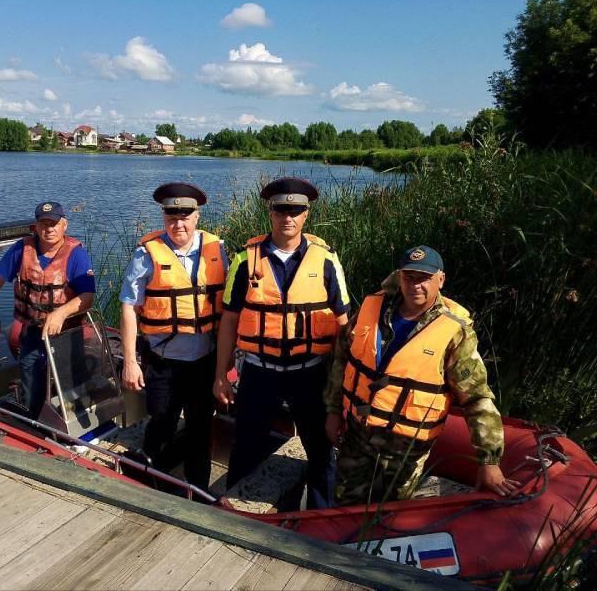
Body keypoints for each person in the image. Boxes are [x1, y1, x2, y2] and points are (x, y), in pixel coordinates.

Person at [325, 245, 520, 505]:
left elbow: (477, 398)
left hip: (405, 447)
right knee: (343, 506)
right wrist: (333, 411)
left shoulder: (454, 332)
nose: (416, 285)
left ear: (440, 280)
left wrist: (489, 461)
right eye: (409, 277)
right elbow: (342, 358)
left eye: (424, 278)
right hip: (357, 435)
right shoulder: (373, 308)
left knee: (389, 515)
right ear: (399, 277)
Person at [213, 177, 350, 509]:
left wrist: (341, 388)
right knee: (246, 448)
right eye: (281, 209)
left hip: (311, 373)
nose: (288, 217)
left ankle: (320, 520)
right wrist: (221, 374)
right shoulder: (246, 261)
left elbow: (344, 325)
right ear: (270, 212)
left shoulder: (327, 260)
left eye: (296, 210)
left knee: (320, 450)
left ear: (306, 214)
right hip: (260, 373)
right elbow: (229, 320)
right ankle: (239, 516)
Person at [120, 182, 228, 492]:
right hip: (163, 361)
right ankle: (149, 481)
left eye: (185, 216)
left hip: (203, 361)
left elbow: (229, 309)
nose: (178, 224)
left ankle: (199, 490)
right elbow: (129, 307)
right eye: (171, 216)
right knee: (162, 422)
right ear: (164, 216)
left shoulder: (217, 249)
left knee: (200, 427)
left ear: (197, 217)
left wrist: (228, 359)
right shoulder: (147, 253)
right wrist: (130, 361)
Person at [0, 201, 95, 419]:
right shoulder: (22, 250)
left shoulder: (76, 255)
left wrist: (60, 313)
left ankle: (77, 429)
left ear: (64, 225)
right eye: (43, 223)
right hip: (32, 333)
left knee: (72, 387)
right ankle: (32, 423)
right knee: (31, 384)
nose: (49, 228)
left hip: (67, 336)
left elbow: (87, 298)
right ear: (36, 226)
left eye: (54, 223)